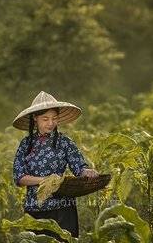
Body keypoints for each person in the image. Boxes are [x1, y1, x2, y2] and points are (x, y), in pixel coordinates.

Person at [12, 91, 99, 241]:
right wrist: (45, 180)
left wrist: (87, 172)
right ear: (35, 118)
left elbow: (79, 167)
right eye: (45, 119)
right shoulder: (25, 145)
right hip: (35, 210)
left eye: (54, 119)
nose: (51, 123)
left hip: (63, 209)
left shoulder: (64, 142)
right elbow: (19, 177)